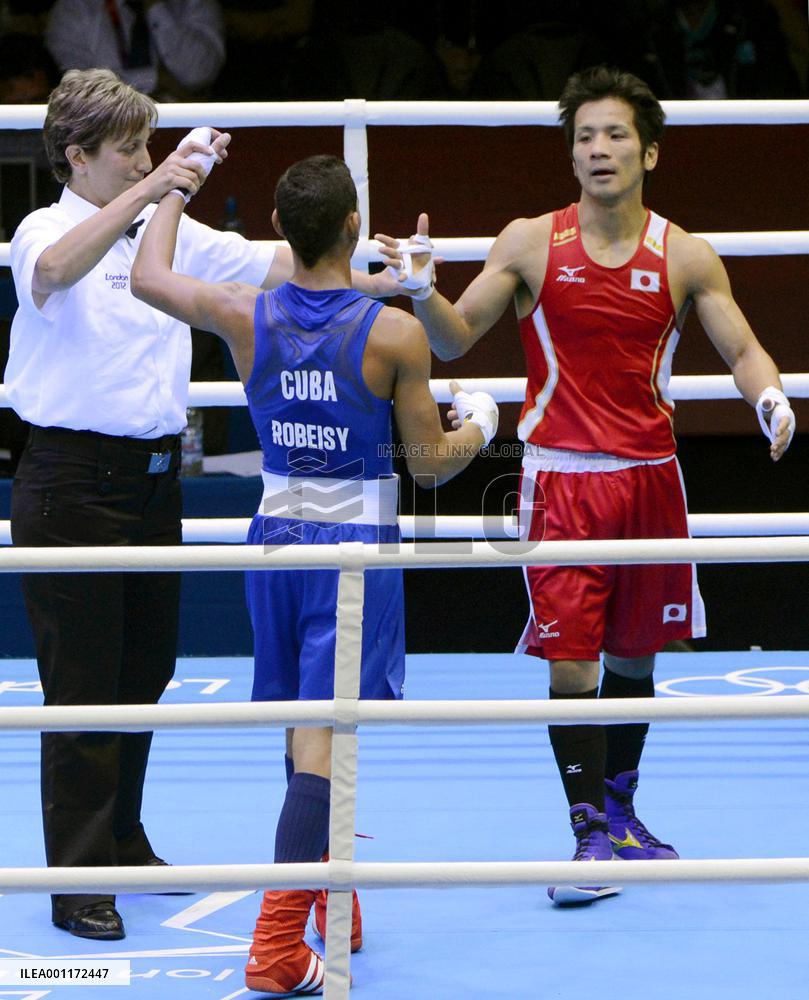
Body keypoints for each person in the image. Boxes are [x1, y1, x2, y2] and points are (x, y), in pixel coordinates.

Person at [376, 64, 795, 906]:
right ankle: (585, 836)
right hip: (558, 479)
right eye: (583, 137)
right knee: (571, 666)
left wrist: (771, 395)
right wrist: (422, 293)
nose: (597, 149)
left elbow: (741, 347)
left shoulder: (684, 253)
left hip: (651, 481)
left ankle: (621, 811)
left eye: (613, 135)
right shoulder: (531, 240)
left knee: (635, 655)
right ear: (569, 155)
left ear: (648, 152)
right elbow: (455, 341)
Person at [131, 153, 498, 994]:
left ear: (279, 231)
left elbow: (149, 274)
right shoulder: (393, 333)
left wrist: (172, 186)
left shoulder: (241, 313)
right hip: (351, 552)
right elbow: (432, 465)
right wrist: (480, 421)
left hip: (272, 540)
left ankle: (332, 897)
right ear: (349, 229)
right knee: (322, 746)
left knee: (305, 729)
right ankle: (272, 944)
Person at [45, 0, 225, 101]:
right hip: (108, 132)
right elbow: (81, 88)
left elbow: (198, 74)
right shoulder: (74, 9)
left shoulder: (192, 4)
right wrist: (157, 79)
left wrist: (155, 6)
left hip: (184, 128)